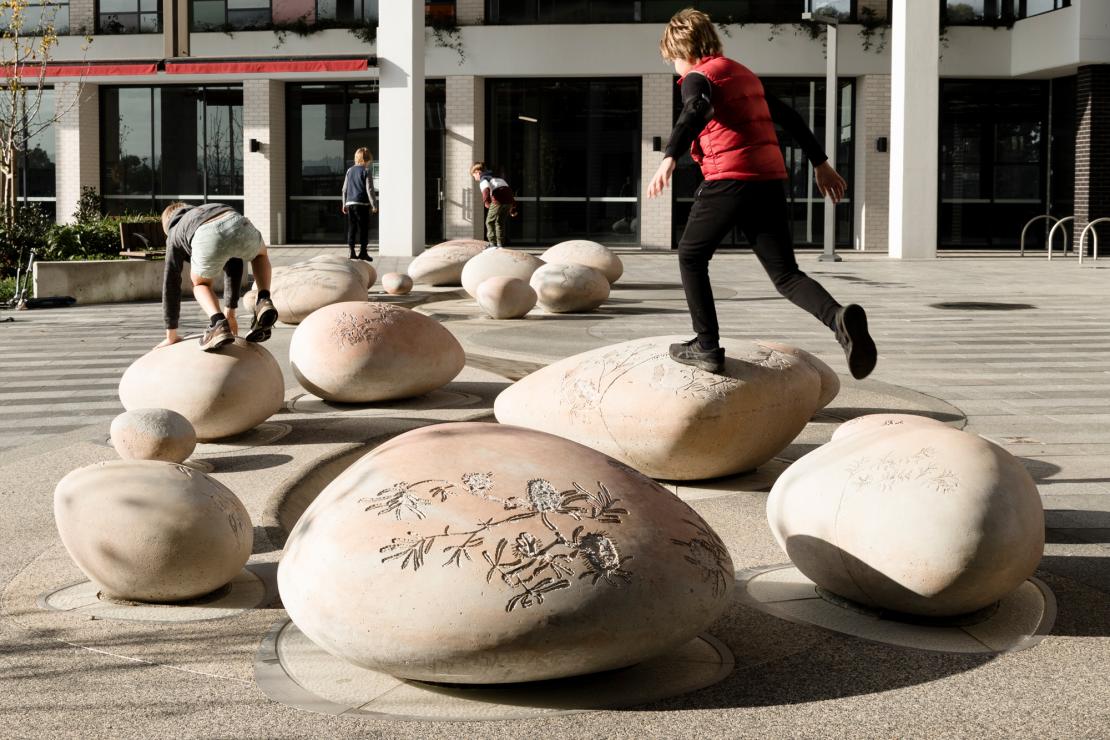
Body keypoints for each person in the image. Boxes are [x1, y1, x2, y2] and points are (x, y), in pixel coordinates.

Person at [648, 8, 877, 380]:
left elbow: (696, 108)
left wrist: (669, 156)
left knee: (691, 256)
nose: (674, 66)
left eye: (672, 58)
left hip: (729, 180)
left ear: (683, 49)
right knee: (786, 274)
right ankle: (838, 320)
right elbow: (789, 116)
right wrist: (820, 163)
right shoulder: (743, 74)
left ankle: (706, 346)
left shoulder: (697, 76)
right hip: (769, 181)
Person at [157, 202, 277, 352]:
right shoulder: (207, 208)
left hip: (206, 233)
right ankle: (264, 300)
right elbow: (235, 263)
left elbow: (171, 283)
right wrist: (231, 313)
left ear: (167, 225)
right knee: (260, 255)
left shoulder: (174, 231)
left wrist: (171, 334)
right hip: (237, 220)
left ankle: (218, 323)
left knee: (200, 284)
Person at [342, 147, 378, 261]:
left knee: (352, 228)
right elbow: (370, 190)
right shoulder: (366, 171)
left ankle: (351, 251)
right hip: (362, 204)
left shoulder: (349, 170)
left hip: (350, 204)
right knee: (363, 229)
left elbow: (344, 189)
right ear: (367, 159)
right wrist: (374, 204)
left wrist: (344, 204)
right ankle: (363, 252)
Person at [471, 162, 518, 248]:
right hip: (508, 201)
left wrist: (487, 202)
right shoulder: (499, 178)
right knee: (500, 222)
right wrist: (513, 208)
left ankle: (492, 243)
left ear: (478, 172)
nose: (475, 178)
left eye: (474, 176)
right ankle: (500, 244)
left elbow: (485, 190)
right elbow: (509, 193)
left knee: (489, 221)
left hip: (498, 199)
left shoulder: (483, 178)